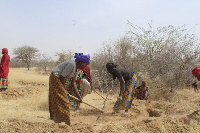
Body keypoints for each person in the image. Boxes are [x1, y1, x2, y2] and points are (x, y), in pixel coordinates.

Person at [49, 53, 90, 125]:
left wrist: (79, 97)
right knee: (63, 99)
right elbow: (62, 76)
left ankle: (61, 122)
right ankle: (62, 122)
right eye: (85, 64)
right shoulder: (72, 64)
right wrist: (64, 90)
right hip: (55, 77)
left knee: (62, 99)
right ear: (81, 63)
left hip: (59, 78)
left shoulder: (77, 70)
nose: (86, 66)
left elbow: (73, 82)